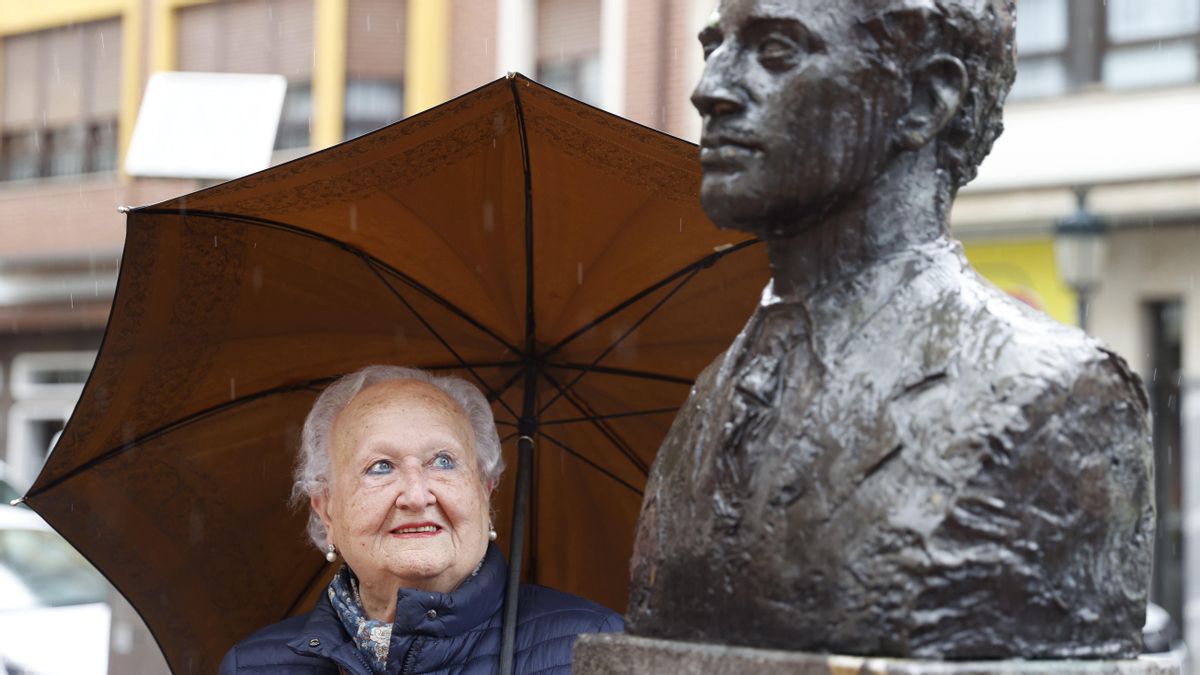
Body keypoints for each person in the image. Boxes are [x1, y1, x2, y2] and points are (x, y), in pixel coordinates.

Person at [627, 0, 1153, 661]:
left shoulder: (1058, 398)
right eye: (715, 48)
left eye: (777, 52)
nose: (710, 89)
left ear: (924, 100)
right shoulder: (705, 399)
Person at [221, 365, 622, 674]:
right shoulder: (252, 666)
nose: (415, 494)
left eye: (443, 461)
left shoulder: (599, 650)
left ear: (484, 492)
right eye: (380, 467)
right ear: (325, 509)